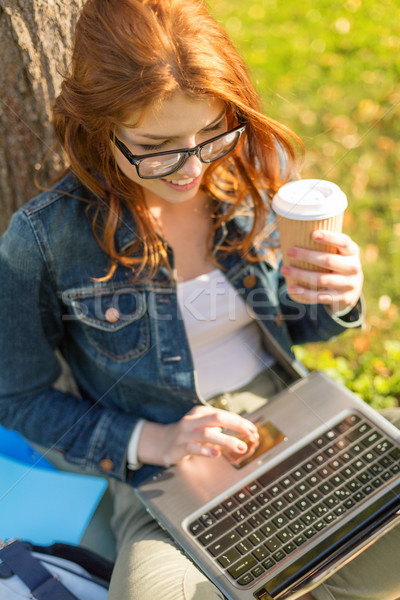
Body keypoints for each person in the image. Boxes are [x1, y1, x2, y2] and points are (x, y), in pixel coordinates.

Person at [0, 0, 398, 599]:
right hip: (167, 474)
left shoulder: (257, 174)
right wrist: (152, 441)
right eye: (158, 145)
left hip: (300, 422)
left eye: (211, 132)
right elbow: (19, 397)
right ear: (99, 125)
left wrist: (337, 294)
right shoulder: (44, 239)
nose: (191, 169)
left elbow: (308, 328)